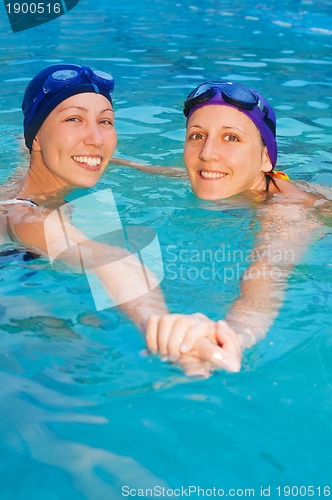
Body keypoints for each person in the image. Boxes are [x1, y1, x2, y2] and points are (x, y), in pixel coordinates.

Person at [0, 64, 241, 378]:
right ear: (38, 139)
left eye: (105, 121)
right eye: (74, 119)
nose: (96, 138)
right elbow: (110, 259)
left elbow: (26, 150)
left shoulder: (36, 179)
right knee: (78, 354)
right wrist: (159, 323)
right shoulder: (20, 213)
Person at [112, 81, 329, 369]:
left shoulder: (286, 212)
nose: (207, 153)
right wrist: (116, 162)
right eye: (197, 136)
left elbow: (267, 274)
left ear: (266, 158)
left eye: (231, 138)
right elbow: (171, 172)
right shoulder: (223, 175)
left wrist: (233, 335)